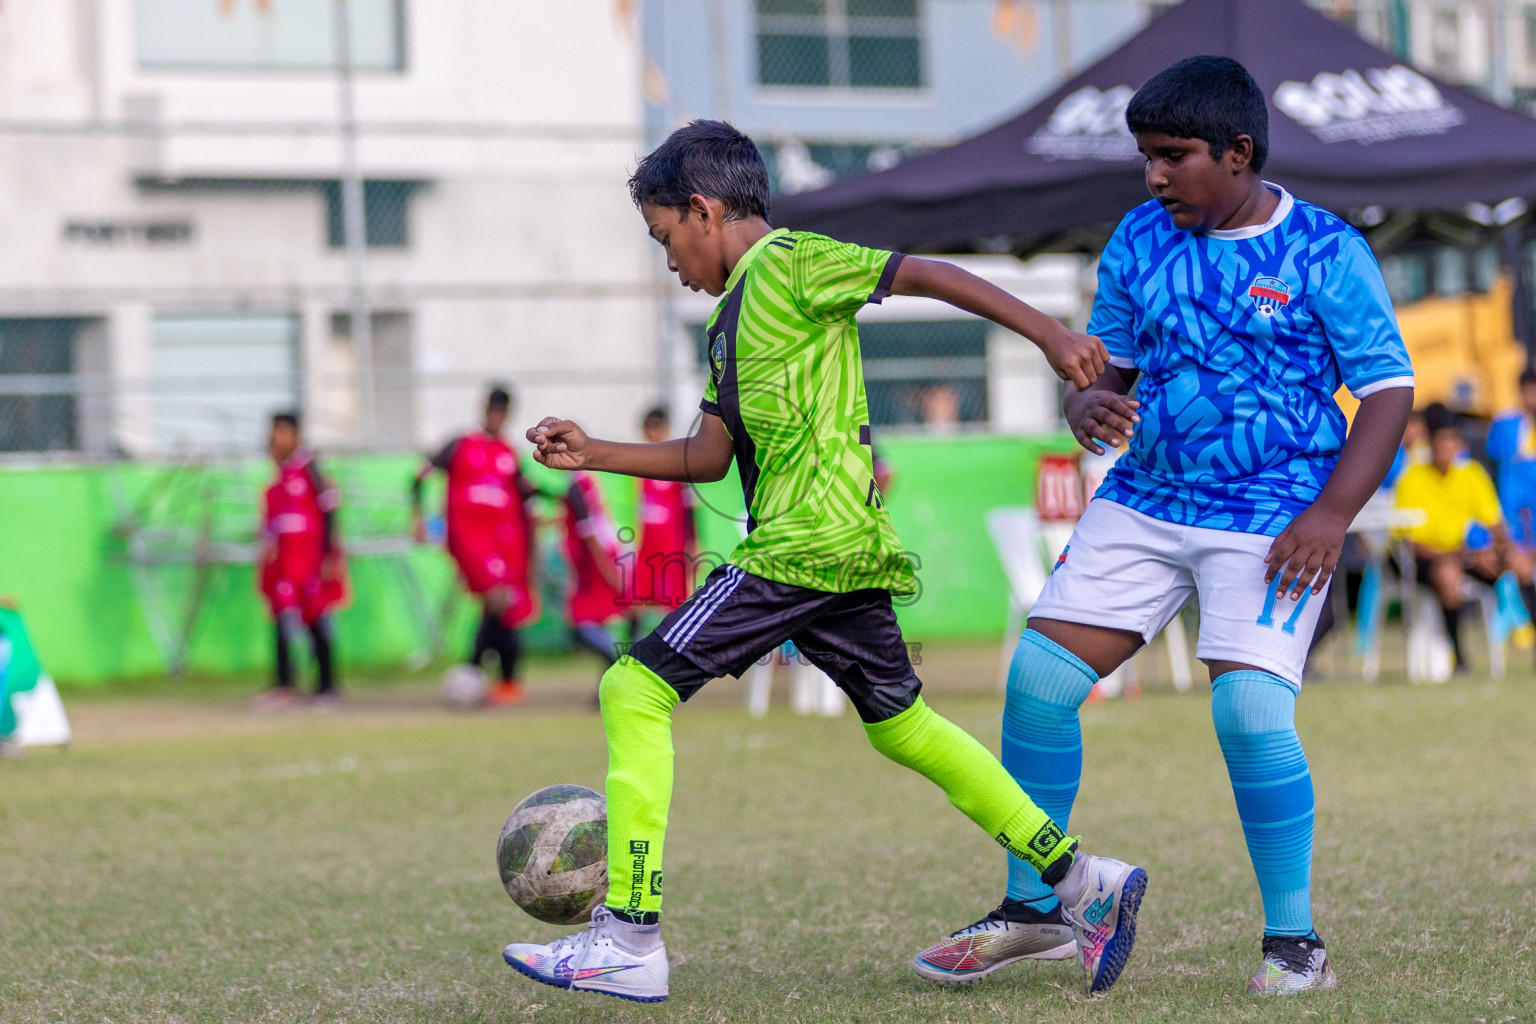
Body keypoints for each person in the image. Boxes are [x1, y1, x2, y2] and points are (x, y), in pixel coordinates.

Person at [499, 119, 1147, 1003]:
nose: (669, 262)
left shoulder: (791, 261)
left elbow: (921, 272)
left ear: (703, 209)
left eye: (665, 239)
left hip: (805, 545)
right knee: (904, 728)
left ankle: (629, 935)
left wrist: (1049, 335)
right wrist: (595, 452)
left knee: (633, 688)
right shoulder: (726, 324)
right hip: (843, 552)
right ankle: (1085, 884)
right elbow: (708, 457)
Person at [912, 57, 1414, 996]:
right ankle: (1036, 910)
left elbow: (1388, 389)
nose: (1153, 177)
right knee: (1038, 682)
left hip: (1274, 510)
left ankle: (1295, 946)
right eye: (1145, 157)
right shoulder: (1139, 238)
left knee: (1250, 709)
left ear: (1239, 152)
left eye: (1172, 157)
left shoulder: (1325, 249)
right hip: (1148, 498)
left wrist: (1333, 514)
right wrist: (1087, 407)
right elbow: (1113, 369)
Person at [413, 386, 538, 706]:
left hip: (504, 545)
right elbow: (419, 477)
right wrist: (419, 519)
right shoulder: (460, 445)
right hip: (468, 540)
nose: (496, 417)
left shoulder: (509, 453)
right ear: (484, 410)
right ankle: (480, 670)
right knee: (498, 600)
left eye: (502, 412)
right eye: (492, 410)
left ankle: (499, 679)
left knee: (502, 606)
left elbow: (525, 492)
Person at [1395, 403, 1534, 669]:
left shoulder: (1470, 474)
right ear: (1431, 445)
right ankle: (1459, 658)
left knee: (1520, 561)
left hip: (1463, 556)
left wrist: (1501, 550)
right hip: (1426, 563)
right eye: (1440, 443)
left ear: (1459, 444)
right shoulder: (1412, 478)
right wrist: (1468, 556)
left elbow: (1496, 525)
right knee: (1448, 574)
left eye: (1451, 443)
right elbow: (1413, 546)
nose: (1446, 450)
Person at [254, 413, 348, 711]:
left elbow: (330, 511)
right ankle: (284, 685)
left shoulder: (311, 469)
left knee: (316, 619)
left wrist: (327, 556)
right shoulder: (279, 476)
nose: (274, 439)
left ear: (294, 435)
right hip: (286, 564)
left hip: (311, 562)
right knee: (282, 617)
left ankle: (328, 686)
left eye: (280, 433)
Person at [629, 407, 699, 616]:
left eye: (655, 427)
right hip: (647, 546)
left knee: (674, 602)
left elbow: (690, 511)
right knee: (637, 599)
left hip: (672, 548)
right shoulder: (639, 464)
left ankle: (677, 645)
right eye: (647, 428)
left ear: (665, 428)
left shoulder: (679, 463)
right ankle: (633, 645)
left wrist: (693, 545)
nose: (651, 433)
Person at [562, 470, 629, 678]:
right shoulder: (586, 481)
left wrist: (608, 570)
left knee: (580, 621)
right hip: (599, 560)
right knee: (596, 619)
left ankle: (619, 662)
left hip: (595, 564)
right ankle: (613, 674)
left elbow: (590, 532)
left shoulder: (577, 486)